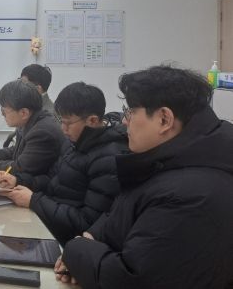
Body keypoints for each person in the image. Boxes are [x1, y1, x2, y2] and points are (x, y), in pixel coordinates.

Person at [57, 66, 233, 288]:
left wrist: (75, 250)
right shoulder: (164, 161)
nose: (124, 121)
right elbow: (119, 214)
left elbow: (131, 279)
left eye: (130, 112)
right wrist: (90, 238)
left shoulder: (193, 194)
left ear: (164, 119)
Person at [0, 82, 129, 244]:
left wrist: (34, 201)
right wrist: (18, 180)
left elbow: (87, 222)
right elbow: (50, 179)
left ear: (92, 121)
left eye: (67, 123)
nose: (63, 129)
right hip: (48, 222)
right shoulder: (73, 143)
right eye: (61, 121)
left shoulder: (108, 159)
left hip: (64, 241)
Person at [0, 80, 65, 181]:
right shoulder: (29, 121)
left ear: (23, 113)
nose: (2, 114)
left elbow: (19, 168)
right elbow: (17, 151)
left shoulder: (43, 132)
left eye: (4, 111)